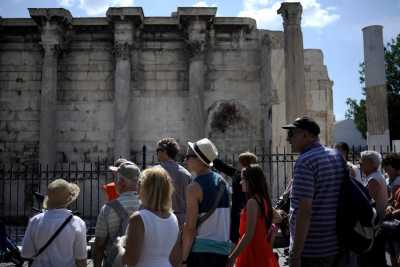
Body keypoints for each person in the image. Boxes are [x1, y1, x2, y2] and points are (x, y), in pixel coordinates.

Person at [282, 116, 346, 267]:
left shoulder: (305, 161)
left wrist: (295, 254)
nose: (288, 139)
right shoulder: (336, 156)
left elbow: (305, 211)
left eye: (291, 134)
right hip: (335, 243)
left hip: (311, 249)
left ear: (305, 134)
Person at [181, 138, 231, 267]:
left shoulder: (194, 188)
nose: (185, 160)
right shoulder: (222, 182)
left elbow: (190, 228)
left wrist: (184, 259)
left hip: (201, 252)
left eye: (188, 156)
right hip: (223, 250)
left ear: (199, 160)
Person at [121, 167, 180, 267]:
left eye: (140, 183)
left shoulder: (139, 218)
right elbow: (175, 259)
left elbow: (130, 260)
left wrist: (120, 247)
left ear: (144, 188)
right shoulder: (174, 219)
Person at [21, 179, 87, 267]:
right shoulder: (77, 223)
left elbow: (26, 253)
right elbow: (81, 259)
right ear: (68, 199)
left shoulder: (35, 220)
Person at [227, 164, 279, 267]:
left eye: (243, 179)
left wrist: (232, 257)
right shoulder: (263, 199)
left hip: (252, 252)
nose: (241, 182)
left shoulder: (252, 202)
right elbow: (277, 218)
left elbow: (248, 234)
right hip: (261, 250)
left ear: (251, 181)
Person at [94, 162, 141, 267]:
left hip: (116, 262)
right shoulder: (147, 206)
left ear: (122, 182)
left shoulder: (108, 208)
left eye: (117, 179)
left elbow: (99, 245)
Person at [213, 151, 257, 243]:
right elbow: (223, 167)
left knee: (238, 236)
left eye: (240, 161)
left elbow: (224, 167)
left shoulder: (242, 175)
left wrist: (211, 157)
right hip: (241, 209)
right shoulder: (242, 174)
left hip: (242, 209)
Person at [358, 150, 388, 267]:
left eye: (363, 161)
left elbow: (367, 201)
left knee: (373, 257)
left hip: (376, 224)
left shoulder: (373, 179)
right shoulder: (376, 176)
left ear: (370, 163)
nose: (360, 163)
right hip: (378, 222)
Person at [156, 137, 192, 226]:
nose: (157, 153)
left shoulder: (155, 172)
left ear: (164, 151)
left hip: (162, 219)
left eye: (158, 150)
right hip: (182, 221)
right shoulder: (186, 174)